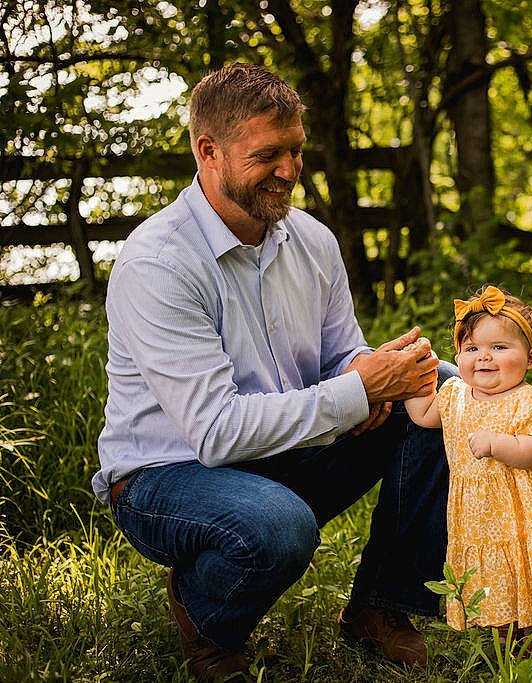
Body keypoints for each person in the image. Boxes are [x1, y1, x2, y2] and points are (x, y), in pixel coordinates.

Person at [93, 62, 453, 676]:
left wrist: (382, 372)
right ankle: (207, 618)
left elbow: (342, 354)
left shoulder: (309, 239)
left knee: (443, 394)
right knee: (276, 526)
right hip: (166, 475)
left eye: (295, 151)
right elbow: (214, 433)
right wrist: (358, 391)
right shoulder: (160, 264)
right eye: (267, 155)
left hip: (283, 450)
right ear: (208, 151)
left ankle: (382, 605)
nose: (288, 170)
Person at [404, 285, 532, 656]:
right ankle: (503, 633)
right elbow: (423, 415)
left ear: (531, 359)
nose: (484, 358)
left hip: (524, 511)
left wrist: (498, 444)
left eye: (499, 348)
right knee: (493, 576)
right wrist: (414, 376)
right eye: (472, 349)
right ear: (458, 355)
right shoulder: (453, 395)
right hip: (476, 513)